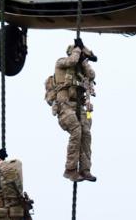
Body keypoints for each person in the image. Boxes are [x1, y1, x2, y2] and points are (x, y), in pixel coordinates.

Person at [45, 42, 97, 182]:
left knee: (86, 133)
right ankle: (70, 169)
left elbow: (92, 75)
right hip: (64, 107)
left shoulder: (81, 71)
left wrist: (85, 62)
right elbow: (72, 60)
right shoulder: (61, 63)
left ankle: (85, 169)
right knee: (76, 130)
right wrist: (78, 50)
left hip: (80, 108)